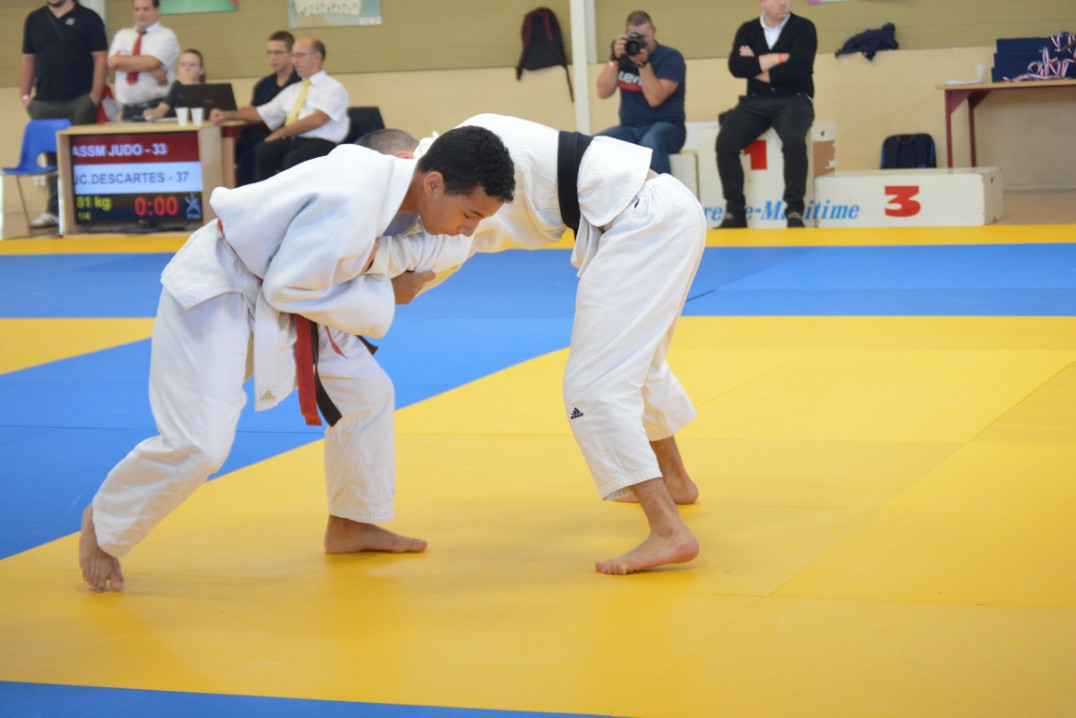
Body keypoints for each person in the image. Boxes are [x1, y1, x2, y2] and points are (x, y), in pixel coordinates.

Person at [77, 126, 517, 592]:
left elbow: (422, 250)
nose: (469, 228)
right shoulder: (353, 198)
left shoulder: (408, 190)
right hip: (223, 287)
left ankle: (352, 523)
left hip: (298, 294)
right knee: (200, 445)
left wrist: (382, 272)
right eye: (469, 214)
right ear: (433, 183)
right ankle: (105, 524)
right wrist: (386, 293)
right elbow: (287, 288)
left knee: (367, 395)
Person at [364, 115, 705, 576]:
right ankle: (676, 481)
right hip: (659, 213)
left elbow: (437, 251)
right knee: (636, 366)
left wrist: (361, 266)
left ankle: (669, 530)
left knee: (595, 387)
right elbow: (439, 252)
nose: (396, 213)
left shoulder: (466, 167)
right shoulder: (468, 154)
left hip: (644, 222)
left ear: (410, 163)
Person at [714, 0, 817, 229]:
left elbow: (799, 68)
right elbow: (736, 67)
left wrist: (755, 64)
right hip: (755, 101)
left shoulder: (804, 27)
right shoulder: (748, 30)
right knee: (725, 143)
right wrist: (781, 58)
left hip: (795, 98)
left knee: (794, 141)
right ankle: (735, 213)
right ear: (762, 2)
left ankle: (794, 211)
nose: (783, 3)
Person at [19, 0, 108, 230]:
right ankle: (53, 211)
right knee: (51, 160)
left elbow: (100, 58)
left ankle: (87, 211)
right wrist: (25, 95)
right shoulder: (34, 19)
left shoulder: (89, 18)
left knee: (82, 158)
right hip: (43, 102)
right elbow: (28, 59)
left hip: (80, 101)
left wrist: (94, 96)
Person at [209, 37, 348, 182]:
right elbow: (262, 113)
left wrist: (281, 132)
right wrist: (226, 115)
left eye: (299, 56)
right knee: (263, 150)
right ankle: (268, 195)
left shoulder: (332, 88)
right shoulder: (293, 90)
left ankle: (293, 197)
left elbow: (317, 120)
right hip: (296, 140)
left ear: (316, 57)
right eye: (293, 56)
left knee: (292, 161)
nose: (294, 61)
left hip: (321, 143)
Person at [595, 10, 686, 175]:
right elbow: (603, 92)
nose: (640, 42)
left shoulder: (671, 58)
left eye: (644, 37)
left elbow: (655, 98)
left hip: (668, 128)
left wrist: (642, 64)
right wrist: (614, 58)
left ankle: (660, 190)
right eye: (635, 36)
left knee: (649, 144)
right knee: (595, 144)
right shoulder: (623, 57)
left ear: (654, 32)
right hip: (629, 128)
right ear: (626, 35)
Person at [234, 31, 302, 186]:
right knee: (236, 146)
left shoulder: (299, 83)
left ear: (291, 54)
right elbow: (256, 112)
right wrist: (245, 112)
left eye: (278, 53)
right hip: (257, 133)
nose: (273, 57)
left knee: (250, 156)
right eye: (269, 53)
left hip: (283, 135)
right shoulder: (263, 84)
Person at [107, 0, 180, 120]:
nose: (140, 14)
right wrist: (150, 69)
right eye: (137, 9)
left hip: (158, 107)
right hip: (129, 110)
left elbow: (152, 62)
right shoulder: (122, 35)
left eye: (145, 9)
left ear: (157, 11)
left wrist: (122, 60)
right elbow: (111, 63)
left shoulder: (166, 35)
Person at [143, 48, 205, 120]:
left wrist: (189, 86)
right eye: (182, 64)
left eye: (192, 65)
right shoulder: (177, 85)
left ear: (201, 70)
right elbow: (162, 110)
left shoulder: (206, 90)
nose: (186, 69)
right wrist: (151, 113)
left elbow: (198, 113)